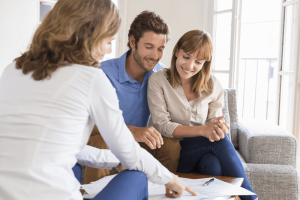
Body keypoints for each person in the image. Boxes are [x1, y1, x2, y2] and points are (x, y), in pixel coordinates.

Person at [0, 0, 197, 199]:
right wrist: (170, 179)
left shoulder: (13, 69)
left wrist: (113, 160)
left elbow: (64, 148)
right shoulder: (91, 78)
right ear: (89, 36)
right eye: (108, 41)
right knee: (137, 176)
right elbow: (127, 149)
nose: (108, 50)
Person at [147, 30, 258, 200]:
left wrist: (218, 128)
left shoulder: (213, 85)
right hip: (172, 153)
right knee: (217, 143)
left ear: (205, 63)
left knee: (212, 164)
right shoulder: (158, 80)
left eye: (198, 62)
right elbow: (162, 125)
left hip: (203, 152)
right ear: (177, 51)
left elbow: (214, 123)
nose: (190, 66)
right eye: (186, 57)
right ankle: (251, 198)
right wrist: (204, 131)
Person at [82, 10, 182, 185]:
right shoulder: (102, 73)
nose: (155, 56)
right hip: (107, 141)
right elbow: (86, 125)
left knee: (171, 146)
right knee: (100, 142)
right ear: (133, 42)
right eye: (149, 47)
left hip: (138, 143)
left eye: (160, 49)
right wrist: (132, 131)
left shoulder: (159, 74)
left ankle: (160, 192)